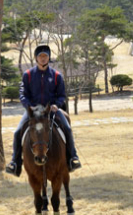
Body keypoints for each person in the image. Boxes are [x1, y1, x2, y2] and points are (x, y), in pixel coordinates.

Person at [5, 45, 82, 177]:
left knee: (67, 128)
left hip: (51, 110)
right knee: (17, 132)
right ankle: (15, 162)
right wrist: (29, 106)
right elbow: (23, 94)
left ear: (48, 58)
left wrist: (56, 105)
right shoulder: (28, 75)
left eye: (45, 56)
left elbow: (62, 95)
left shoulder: (57, 76)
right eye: (40, 56)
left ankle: (72, 158)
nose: (42, 59)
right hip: (33, 111)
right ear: (36, 58)